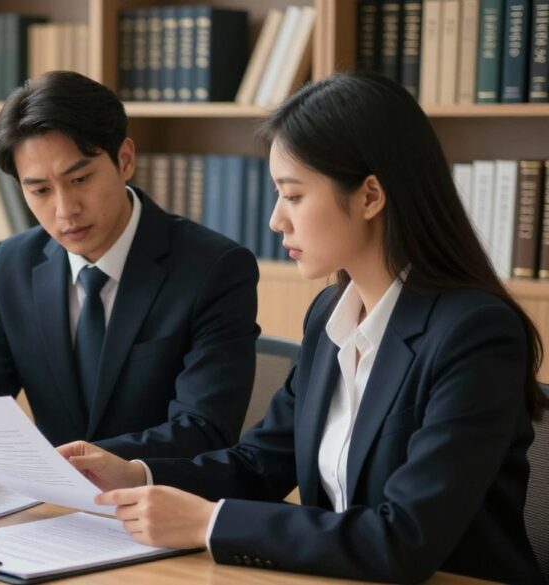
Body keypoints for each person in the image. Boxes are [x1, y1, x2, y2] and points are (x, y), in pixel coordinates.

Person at [56, 72, 546, 584]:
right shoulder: (330, 315)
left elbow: (405, 538)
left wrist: (209, 522)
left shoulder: (475, 335)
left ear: (370, 195)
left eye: (292, 196)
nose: (275, 220)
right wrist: (138, 474)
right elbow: (260, 464)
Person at [0, 71, 260, 488]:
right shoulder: (13, 263)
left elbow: (205, 428)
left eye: (80, 179)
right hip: (48, 510)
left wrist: (91, 465)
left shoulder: (214, 268)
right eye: (39, 191)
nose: (65, 210)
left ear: (124, 159)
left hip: (158, 505)